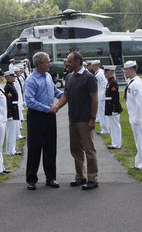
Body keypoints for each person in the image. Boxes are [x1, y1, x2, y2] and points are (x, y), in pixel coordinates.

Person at [54, 51, 99, 190]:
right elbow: (65, 96)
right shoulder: (69, 77)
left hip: (85, 119)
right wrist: (57, 107)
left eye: (70, 61)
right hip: (72, 119)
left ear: (78, 61)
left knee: (89, 150)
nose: (68, 63)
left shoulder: (89, 78)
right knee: (75, 149)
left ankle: (92, 178)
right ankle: (80, 176)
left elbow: (94, 99)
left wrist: (92, 119)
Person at [24, 52, 63, 190]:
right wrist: (48, 109)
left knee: (51, 147)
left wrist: (65, 96)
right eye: (47, 61)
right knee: (35, 148)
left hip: (49, 115)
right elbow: (29, 101)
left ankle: (51, 177)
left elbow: (55, 92)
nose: (49, 63)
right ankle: (31, 179)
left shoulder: (47, 76)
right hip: (37, 116)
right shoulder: (31, 80)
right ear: (39, 64)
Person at [123, 61, 142, 170]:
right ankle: (139, 163)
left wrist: (137, 119)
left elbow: (139, 103)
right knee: (138, 141)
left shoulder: (136, 84)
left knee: (141, 141)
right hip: (134, 116)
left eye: (125, 70)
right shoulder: (132, 82)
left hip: (137, 117)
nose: (124, 72)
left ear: (131, 69)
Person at [104, 65, 122, 149]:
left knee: (115, 126)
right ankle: (114, 143)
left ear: (110, 72)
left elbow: (115, 97)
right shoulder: (110, 82)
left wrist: (114, 109)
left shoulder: (113, 83)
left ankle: (117, 144)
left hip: (112, 108)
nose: (104, 73)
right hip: (109, 106)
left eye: (106, 72)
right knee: (112, 126)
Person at [4, 70, 22, 156]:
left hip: (15, 109)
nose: (14, 77)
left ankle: (12, 150)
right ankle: (10, 151)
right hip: (11, 111)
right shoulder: (7, 88)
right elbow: (8, 102)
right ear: (7, 77)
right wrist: (9, 114)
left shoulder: (11, 86)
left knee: (13, 131)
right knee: (10, 132)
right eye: (12, 76)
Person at [90, 60, 109, 135]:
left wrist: (103, 96)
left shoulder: (100, 74)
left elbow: (105, 85)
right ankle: (104, 128)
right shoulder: (98, 73)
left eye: (93, 65)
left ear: (97, 65)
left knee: (102, 113)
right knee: (101, 113)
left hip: (101, 95)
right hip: (99, 94)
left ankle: (105, 130)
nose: (92, 67)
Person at [14, 67, 26, 140]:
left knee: (18, 117)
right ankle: (17, 134)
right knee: (16, 118)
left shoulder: (18, 79)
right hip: (17, 102)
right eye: (18, 71)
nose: (20, 72)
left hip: (20, 100)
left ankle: (18, 133)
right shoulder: (14, 81)